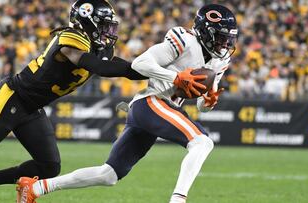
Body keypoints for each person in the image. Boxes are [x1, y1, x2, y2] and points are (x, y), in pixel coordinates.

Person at [0, 0, 190, 202]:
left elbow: (128, 69)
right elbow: (101, 67)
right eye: (103, 25)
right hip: (12, 99)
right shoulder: (71, 38)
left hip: (32, 108)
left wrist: (164, 72)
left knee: (49, 166)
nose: (109, 32)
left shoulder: (97, 46)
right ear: (87, 22)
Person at [16, 4, 238, 203]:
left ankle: (35, 188)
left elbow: (201, 105)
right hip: (151, 102)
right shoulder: (184, 40)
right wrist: (175, 78)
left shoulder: (221, 60)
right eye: (220, 38)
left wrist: (207, 102)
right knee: (202, 142)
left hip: (159, 109)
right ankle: (178, 200)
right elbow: (141, 63)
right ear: (205, 32)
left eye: (228, 39)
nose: (225, 44)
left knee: (109, 175)